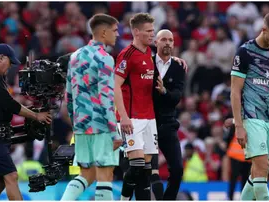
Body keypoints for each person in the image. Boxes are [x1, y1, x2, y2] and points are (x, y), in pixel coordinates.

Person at [230, 12, 269, 201]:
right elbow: (235, 91)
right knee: (262, 166)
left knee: (261, 171)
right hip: (252, 115)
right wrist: (239, 126)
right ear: (263, 30)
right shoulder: (245, 52)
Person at [0, 43, 52, 200]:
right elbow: (9, 104)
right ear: (1, 58)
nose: (10, 67)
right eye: (10, 63)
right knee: (11, 176)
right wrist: (35, 115)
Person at [60, 14, 120, 201]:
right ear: (103, 32)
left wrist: (75, 123)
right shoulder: (105, 58)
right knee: (105, 175)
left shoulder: (75, 56)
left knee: (86, 174)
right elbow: (106, 97)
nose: (117, 35)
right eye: (115, 30)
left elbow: (68, 94)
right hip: (101, 124)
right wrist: (114, 131)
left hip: (81, 124)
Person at [115, 13, 158, 201]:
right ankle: (124, 199)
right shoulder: (127, 55)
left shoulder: (150, 53)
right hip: (131, 118)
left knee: (146, 169)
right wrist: (123, 117)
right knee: (138, 164)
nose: (152, 34)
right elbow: (115, 86)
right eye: (148, 31)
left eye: (153, 30)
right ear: (136, 32)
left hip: (150, 117)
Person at [150, 29, 186, 200]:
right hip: (147, 123)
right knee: (148, 170)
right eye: (163, 39)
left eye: (171, 40)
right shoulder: (146, 63)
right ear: (155, 42)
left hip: (167, 123)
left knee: (178, 169)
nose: (167, 43)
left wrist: (164, 91)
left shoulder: (179, 67)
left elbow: (177, 97)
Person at [223, 119, 251, 200]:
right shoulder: (247, 121)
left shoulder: (236, 122)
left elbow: (228, 137)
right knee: (243, 179)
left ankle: (231, 197)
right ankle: (241, 198)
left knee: (235, 178)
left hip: (239, 154)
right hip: (243, 155)